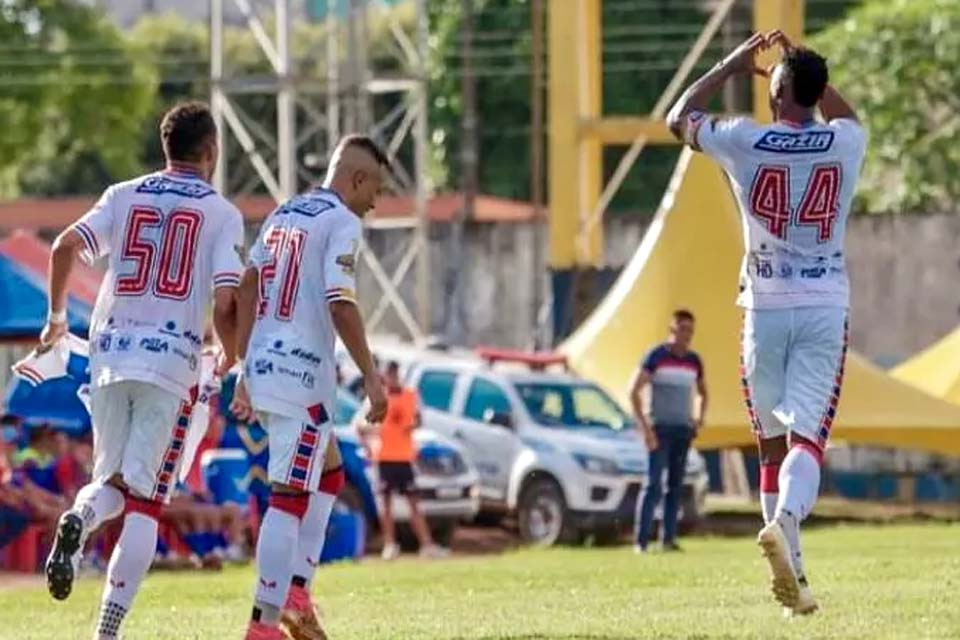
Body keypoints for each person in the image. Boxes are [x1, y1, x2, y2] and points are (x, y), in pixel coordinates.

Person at [666, 30, 866, 615]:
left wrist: (733, 65)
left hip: (764, 306)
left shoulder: (746, 139)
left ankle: (794, 579)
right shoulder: (845, 143)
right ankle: (785, 530)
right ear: (817, 92)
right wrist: (803, 67)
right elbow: (846, 113)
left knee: (771, 446)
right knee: (809, 437)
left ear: (775, 95)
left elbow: (678, 116)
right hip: (825, 304)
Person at [41, 101, 243, 638]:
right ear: (211, 150)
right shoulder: (221, 213)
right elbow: (226, 303)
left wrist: (57, 319)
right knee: (146, 504)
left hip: (109, 354)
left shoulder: (122, 194)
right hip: (170, 362)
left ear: (164, 147)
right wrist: (231, 355)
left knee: (106, 482)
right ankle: (107, 630)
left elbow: (64, 247)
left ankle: (79, 521)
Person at [230, 134, 389, 640]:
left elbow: (249, 283)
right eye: (376, 189)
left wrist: (245, 363)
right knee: (287, 495)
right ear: (358, 178)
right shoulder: (342, 222)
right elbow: (341, 303)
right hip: (301, 374)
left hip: (272, 368)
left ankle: (296, 593)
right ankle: (265, 624)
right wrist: (371, 375)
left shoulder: (284, 213)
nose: (375, 202)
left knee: (330, 471)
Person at [629, 309, 707, 553]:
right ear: (672, 329)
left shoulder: (694, 361)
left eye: (690, 331)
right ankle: (641, 542)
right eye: (682, 329)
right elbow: (634, 392)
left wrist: (698, 419)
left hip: (682, 431)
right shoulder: (656, 356)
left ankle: (668, 539)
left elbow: (704, 393)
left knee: (675, 486)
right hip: (659, 430)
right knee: (652, 485)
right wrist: (646, 429)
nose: (686, 335)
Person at [360, 361, 448, 560]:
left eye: (394, 373)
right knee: (387, 503)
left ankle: (426, 545)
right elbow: (362, 426)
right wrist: (369, 445)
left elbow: (418, 419)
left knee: (413, 502)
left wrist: (411, 425)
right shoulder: (378, 398)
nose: (392, 378)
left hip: (404, 456)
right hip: (385, 457)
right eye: (389, 374)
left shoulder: (410, 395)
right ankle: (390, 545)